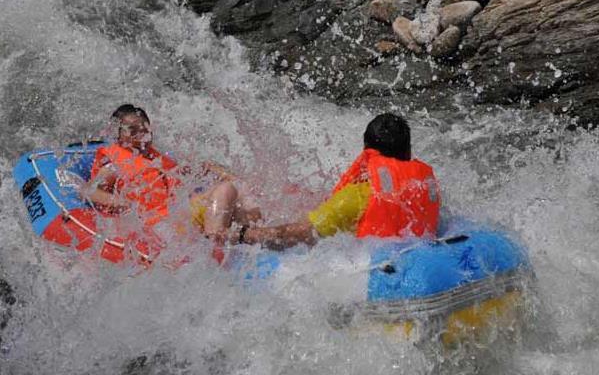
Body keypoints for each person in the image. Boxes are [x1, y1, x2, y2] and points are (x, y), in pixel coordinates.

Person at [223, 113, 441, 249]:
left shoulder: (356, 197)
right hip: (419, 262)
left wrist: (241, 235)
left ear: (367, 152)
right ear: (408, 151)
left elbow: (297, 234)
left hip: (373, 275)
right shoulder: (425, 186)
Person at [82, 104, 260, 262]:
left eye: (144, 128)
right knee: (225, 190)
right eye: (132, 130)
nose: (141, 134)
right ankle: (216, 245)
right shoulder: (115, 162)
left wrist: (228, 175)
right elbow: (88, 191)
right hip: (161, 225)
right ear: (119, 134)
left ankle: (257, 236)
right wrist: (127, 204)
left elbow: (197, 169)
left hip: (179, 217)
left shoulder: (155, 158)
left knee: (239, 189)